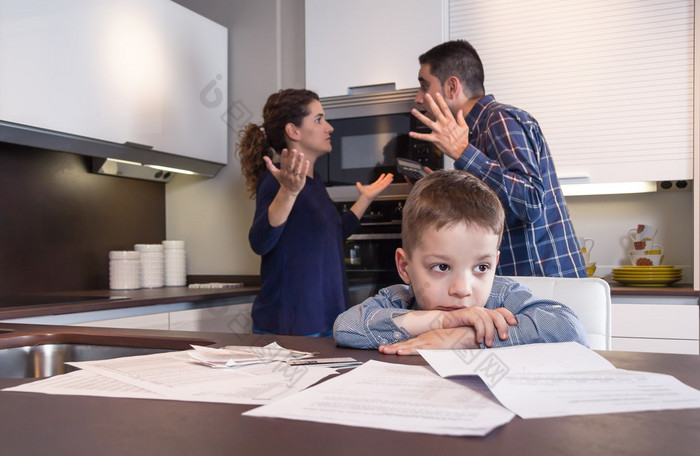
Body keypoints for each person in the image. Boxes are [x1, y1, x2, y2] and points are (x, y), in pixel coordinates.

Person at [333, 170, 587, 354]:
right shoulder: (399, 298)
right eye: (442, 267)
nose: (462, 289)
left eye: (481, 268)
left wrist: (466, 337)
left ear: (495, 265)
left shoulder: (501, 295)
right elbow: (345, 328)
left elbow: (570, 328)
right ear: (404, 267)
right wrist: (442, 322)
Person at [409, 40, 586, 278]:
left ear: (452, 87)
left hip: (544, 285)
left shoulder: (499, 119)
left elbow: (531, 201)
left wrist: (463, 153)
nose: (418, 98)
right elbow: (493, 212)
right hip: (521, 284)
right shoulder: (472, 133)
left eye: (424, 86)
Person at [238, 89, 393, 336]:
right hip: (292, 326)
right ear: (294, 131)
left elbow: (332, 235)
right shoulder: (277, 181)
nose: (329, 127)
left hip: (326, 320)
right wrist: (288, 192)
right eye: (318, 119)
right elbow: (260, 241)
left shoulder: (315, 182)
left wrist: (365, 199)